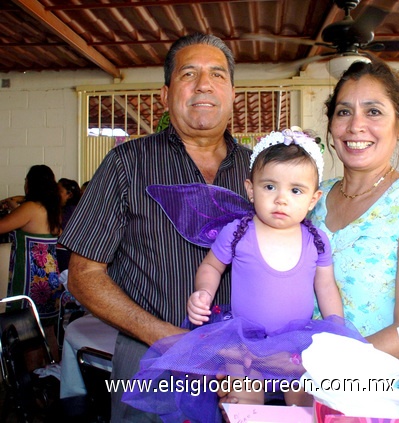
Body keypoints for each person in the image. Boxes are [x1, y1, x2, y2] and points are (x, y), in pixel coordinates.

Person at [58, 33, 252, 422]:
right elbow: (84, 276)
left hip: (241, 364)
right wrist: (165, 336)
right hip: (150, 359)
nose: (203, 84)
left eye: (217, 74)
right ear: (165, 95)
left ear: (232, 93)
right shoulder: (126, 164)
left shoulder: (262, 171)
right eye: (189, 74)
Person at [121, 129, 363, 419]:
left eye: (295, 190)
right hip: (242, 341)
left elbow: (326, 288)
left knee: (305, 407)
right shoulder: (238, 232)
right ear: (250, 189)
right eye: (270, 187)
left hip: (296, 342)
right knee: (243, 407)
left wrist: (335, 328)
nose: (281, 199)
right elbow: (212, 266)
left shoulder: (317, 239)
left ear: (313, 199)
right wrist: (204, 293)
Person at [308, 57, 399, 361]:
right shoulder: (312, 200)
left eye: (373, 111)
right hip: (301, 389)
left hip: (377, 392)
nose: (356, 125)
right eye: (344, 111)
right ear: (332, 126)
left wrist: (319, 366)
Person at [0, 164, 62, 363]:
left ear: (31, 183)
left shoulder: (30, 207)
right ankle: (52, 373)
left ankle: (34, 378)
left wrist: (14, 209)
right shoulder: (52, 209)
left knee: (27, 328)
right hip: (49, 276)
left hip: (30, 277)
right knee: (48, 329)